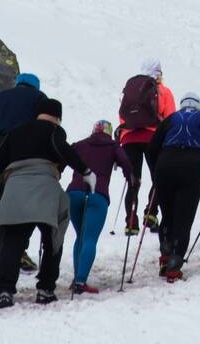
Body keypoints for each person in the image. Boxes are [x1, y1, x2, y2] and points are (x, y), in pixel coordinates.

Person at [0, 99, 92, 308]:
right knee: (52, 237)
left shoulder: (16, 131)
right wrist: (86, 172)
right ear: (57, 117)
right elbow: (62, 149)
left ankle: (6, 290)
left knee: (13, 240)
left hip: (16, 188)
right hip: (44, 187)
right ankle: (45, 288)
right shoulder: (54, 130)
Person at [0, 73, 48, 274]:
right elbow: (42, 129)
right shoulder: (39, 98)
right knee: (23, 205)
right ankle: (17, 253)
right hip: (19, 153)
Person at [149, 95, 200, 282]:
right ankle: (175, 263)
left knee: (168, 214)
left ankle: (165, 255)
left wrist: (156, 171)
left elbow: (152, 148)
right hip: (191, 165)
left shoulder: (171, 119)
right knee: (184, 216)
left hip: (165, 165)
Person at [66, 120, 132, 294]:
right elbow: (126, 161)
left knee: (80, 236)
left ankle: (76, 278)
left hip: (74, 194)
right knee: (89, 238)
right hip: (98, 195)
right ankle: (81, 281)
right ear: (109, 132)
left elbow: (64, 156)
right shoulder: (113, 146)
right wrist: (131, 177)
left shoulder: (80, 144)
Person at [118, 59, 176, 233]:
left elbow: (123, 116)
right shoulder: (163, 91)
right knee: (160, 177)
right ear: (158, 74)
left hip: (129, 138)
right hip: (153, 138)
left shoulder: (131, 91)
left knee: (133, 181)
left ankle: (131, 222)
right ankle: (150, 213)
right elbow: (170, 119)